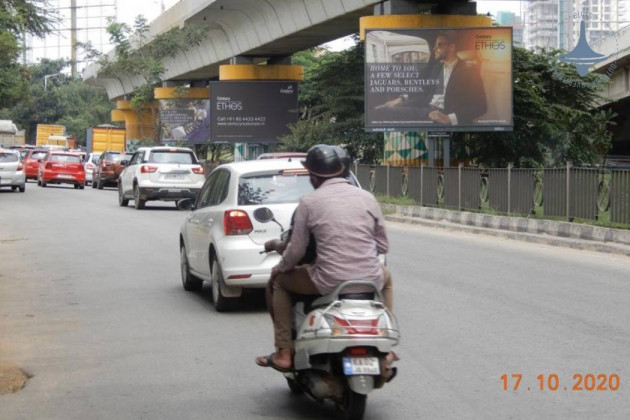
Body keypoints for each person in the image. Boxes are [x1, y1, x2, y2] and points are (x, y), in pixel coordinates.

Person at [255, 144, 394, 372]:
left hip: (327, 281)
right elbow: (382, 245)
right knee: (387, 278)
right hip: (370, 278)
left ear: (314, 176)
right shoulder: (367, 198)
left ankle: (284, 352)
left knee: (278, 281)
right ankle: (386, 348)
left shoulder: (309, 203)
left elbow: (296, 251)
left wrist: (282, 267)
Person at [376, 31, 487, 126]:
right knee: (386, 108)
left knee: (387, 112)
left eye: (439, 45)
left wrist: (449, 118)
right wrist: (402, 99)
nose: (434, 48)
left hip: (442, 114)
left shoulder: (469, 70)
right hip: (427, 108)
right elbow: (424, 88)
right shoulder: (437, 67)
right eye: (434, 45)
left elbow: (481, 105)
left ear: (451, 47)